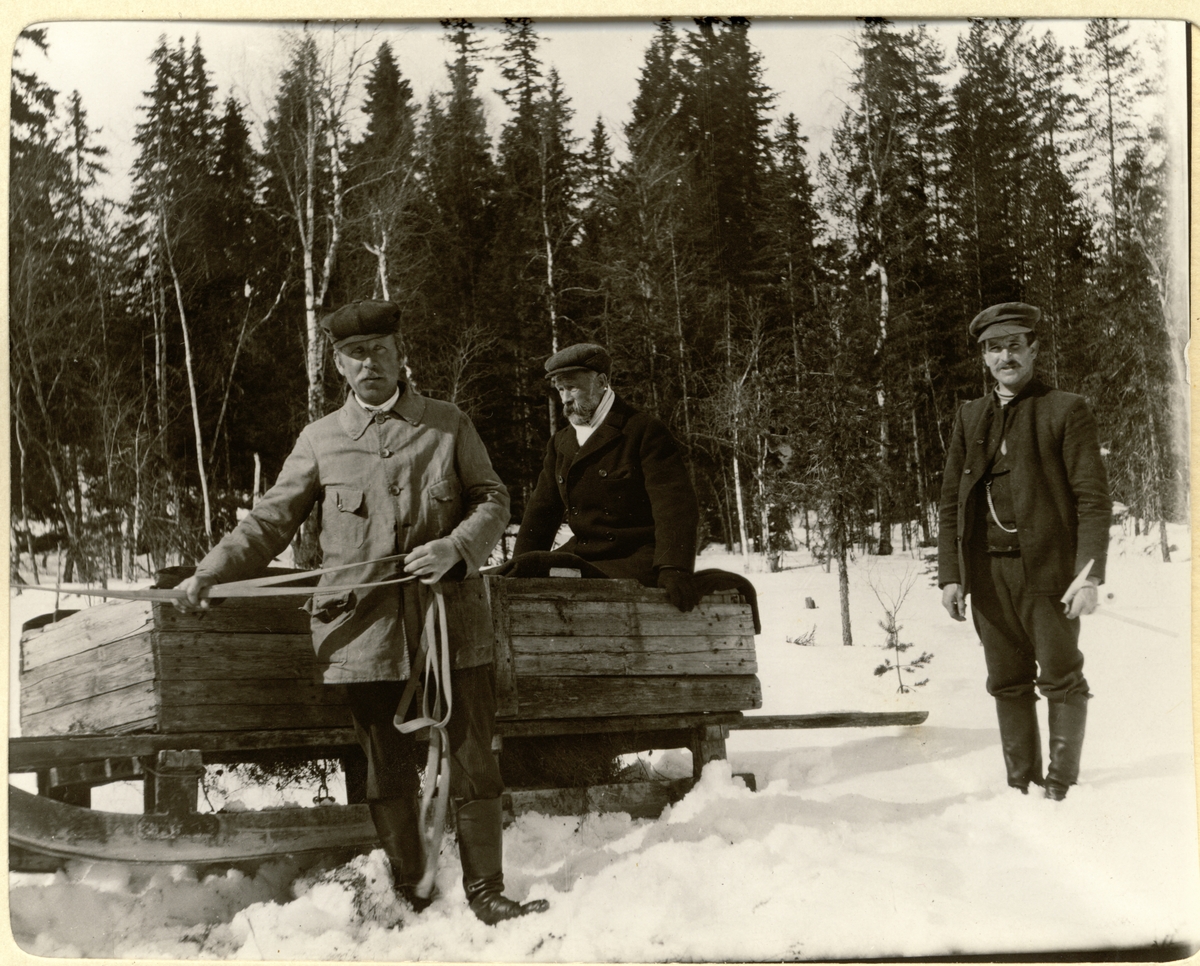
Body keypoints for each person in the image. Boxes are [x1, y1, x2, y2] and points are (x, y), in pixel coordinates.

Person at [176, 299, 549, 924]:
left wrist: (456, 547)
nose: (369, 362)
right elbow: (269, 521)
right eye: (355, 354)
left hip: (451, 623)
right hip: (363, 633)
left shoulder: (447, 424)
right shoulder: (320, 441)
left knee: (473, 760)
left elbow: (493, 498)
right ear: (339, 367)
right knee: (384, 768)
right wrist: (211, 571)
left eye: (380, 350)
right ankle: (413, 889)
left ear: (401, 356)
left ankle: (487, 894)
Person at [937, 302, 1111, 801]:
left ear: (1033, 349)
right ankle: (1020, 787)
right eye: (995, 348)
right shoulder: (970, 417)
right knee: (1006, 682)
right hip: (988, 578)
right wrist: (952, 575)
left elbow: (1093, 500)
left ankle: (1061, 789)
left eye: (1015, 344)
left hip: (1049, 575)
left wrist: (1088, 576)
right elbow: (951, 502)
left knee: (1061, 678)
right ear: (984, 359)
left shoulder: (1065, 409)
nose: (1005, 355)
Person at [509, 342, 701, 611]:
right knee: (502, 578)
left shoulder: (642, 431)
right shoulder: (561, 443)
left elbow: (674, 504)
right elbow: (541, 512)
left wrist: (673, 567)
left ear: (601, 382)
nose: (564, 398)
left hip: (633, 557)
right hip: (584, 554)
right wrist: (519, 568)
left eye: (572, 387)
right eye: (560, 389)